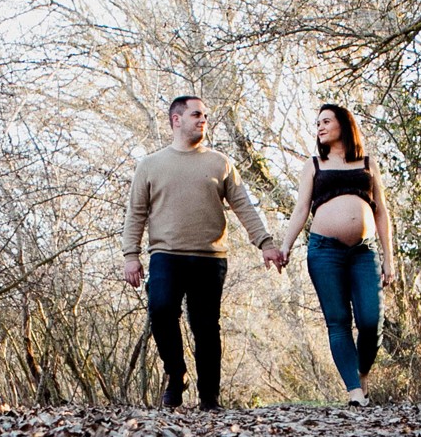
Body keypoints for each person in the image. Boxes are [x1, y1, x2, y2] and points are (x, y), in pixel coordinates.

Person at [122, 95, 286, 409]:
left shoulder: (219, 162)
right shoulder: (150, 165)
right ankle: (176, 373)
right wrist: (131, 255)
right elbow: (136, 213)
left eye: (205, 116)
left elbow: (244, 206)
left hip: (209, 257)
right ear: (176, 119)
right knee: (160, 310)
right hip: (166, 254)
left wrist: (265, 243)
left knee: (206, 326)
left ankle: (209, 396)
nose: (203, 120)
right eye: (197, 115)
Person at [277, 103, 395, 407]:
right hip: (324, 250)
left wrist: (389, 259)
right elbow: (301, 209)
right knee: (338, 321)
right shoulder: (315, 164)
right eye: (317, 123)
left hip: (363, 252)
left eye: (326, 121)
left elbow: (381, 213)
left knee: (371, 320)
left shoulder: (367, 163)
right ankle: (355, 392)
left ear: (343, 124)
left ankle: (361, 372)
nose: (320, 127)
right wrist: (286, 245)